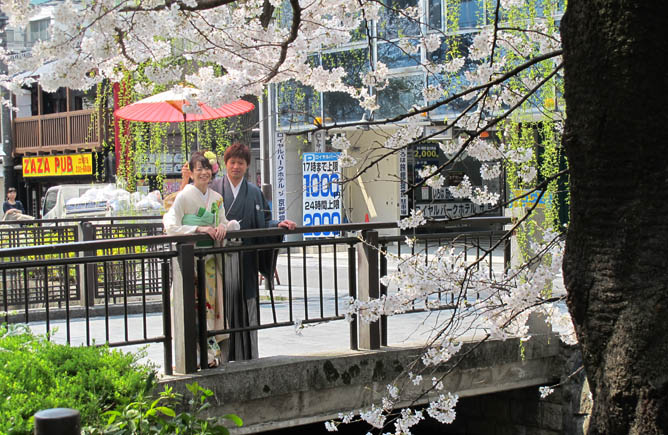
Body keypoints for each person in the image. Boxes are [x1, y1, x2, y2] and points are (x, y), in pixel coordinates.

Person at [181, 143, 296, 360]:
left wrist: (278, 225)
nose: (236, 167)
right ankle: (219, 357)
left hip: (247, 260)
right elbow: (191, 212)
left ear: (246, 166)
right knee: (219, 308)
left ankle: (248, 356)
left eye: (240, 163)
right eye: (232, 162)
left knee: (247, 306)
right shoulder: (213, 189)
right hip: (218, 261)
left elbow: (264, 222)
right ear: (225, 165)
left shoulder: (254, 192)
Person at [163, 151, 232, 367]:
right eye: (198, 169)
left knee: (210, 308)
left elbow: (224, 221)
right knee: (189, 309)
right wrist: (197, 228)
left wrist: (222, 227)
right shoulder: (183, 196)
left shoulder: (216, 198)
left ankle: (210, 356)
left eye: (206, 168)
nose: (203, 173)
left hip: (209, 262)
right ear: (191, 173)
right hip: (188, 263)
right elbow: (171, 226)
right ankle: (188, 356)